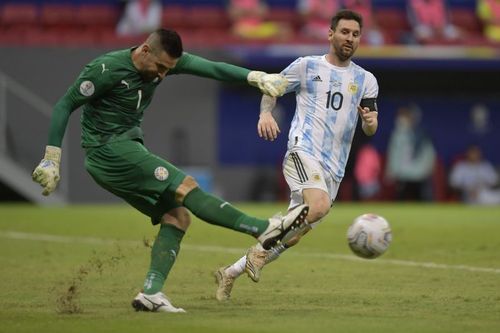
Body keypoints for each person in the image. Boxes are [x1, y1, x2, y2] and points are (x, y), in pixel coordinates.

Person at [31, 29, 310, 313]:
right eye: (160, 67)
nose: (163, 75)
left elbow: (213, 68)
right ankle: (263, 230)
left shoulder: (164, 64)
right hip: (110, 151)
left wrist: (256, 77)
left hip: (121, 152)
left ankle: (151, 293)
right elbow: (65, 104)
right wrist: (52, 157)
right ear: (144, 51)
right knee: (185, 186)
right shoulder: (106, 68)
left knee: (177, 217)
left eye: (169, 69)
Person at [214, 9, 379, 301]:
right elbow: (272, 86)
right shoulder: (307, 66)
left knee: (295, 231)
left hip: (334, 168)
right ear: (331, 34)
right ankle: (259, 250)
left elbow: (372, 126)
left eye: (355, 34)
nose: (349, 39)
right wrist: (265, 113)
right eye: (344, 32)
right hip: (303, 151)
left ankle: (230, 273)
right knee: (319, 205)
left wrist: (369, 123)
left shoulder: (366, 80)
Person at [385, 105, 436, 201]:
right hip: (403, 175)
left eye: (404, 117)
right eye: (399, 117)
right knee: (400, 202)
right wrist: (391, 172)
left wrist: (427, 169)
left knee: (425, 203)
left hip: (420, 175)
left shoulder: (421, 134)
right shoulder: (396, 135)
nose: (400, 120)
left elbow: (429, 154)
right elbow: (393, 155)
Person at [227, 0, 292, 41]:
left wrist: (246, 12)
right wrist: (251, 11)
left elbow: (263, 13)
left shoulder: (258, 1)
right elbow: (233, 15)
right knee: (238, 32)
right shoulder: (234, 1)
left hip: (259, 27)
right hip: (243, 28)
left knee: (283, 29)